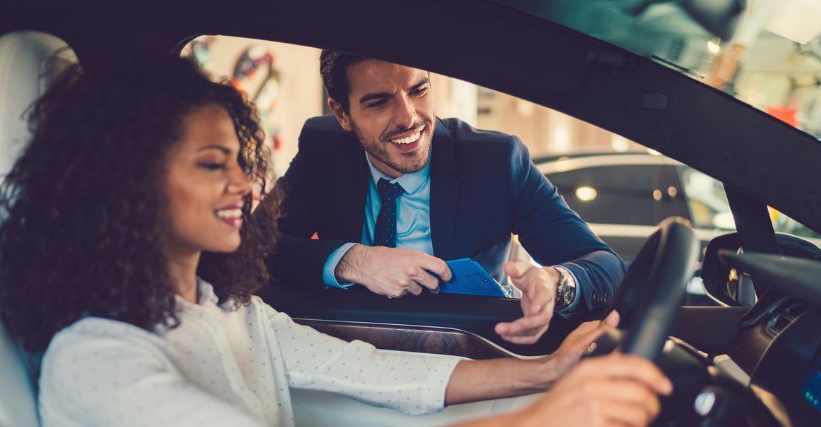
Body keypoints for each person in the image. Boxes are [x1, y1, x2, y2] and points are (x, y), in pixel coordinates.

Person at [0, 54, 670, 427]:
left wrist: (542, 372)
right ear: (125, 184)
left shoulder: (221, 308)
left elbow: (362, 367)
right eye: (210, 165)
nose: (244, 186)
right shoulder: (96, 360)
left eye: (239, 161)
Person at [266, 50, 627, 345]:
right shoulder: (322, 148)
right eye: (379, 103)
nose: (409, 118)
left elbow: (605, 265)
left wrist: (556, 283)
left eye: (418, 91)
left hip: (464, 352)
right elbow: (256, 246)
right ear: (342, 114)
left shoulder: (496, 161)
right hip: (344, 350)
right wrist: (354, 261)